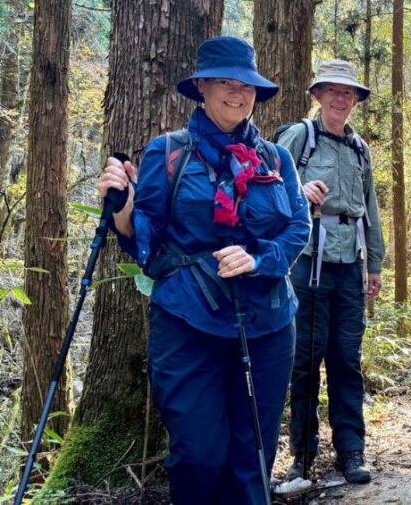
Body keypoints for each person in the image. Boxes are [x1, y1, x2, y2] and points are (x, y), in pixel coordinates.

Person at [97, 36, 310, 504]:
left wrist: (259, 258)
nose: (238, 93)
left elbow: (298, 226)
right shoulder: (169, 153)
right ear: (202, 87)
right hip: (188, 322)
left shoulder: (276, 160)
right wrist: (122, 206)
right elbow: (146, 241)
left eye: (247, 85)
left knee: (252, 455)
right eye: (225, 83)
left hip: (269, 323)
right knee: (198, 454)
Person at [279, 60, 384, 485]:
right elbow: (266, 183)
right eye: (333, 91)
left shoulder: (360, 148)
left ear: (355, 100)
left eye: (349, 93)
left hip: (349, 266)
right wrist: (297, 191)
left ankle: (351, 451)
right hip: (305, 262)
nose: (341, 99)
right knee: (304, 360)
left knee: (346, 359)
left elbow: (370, 209)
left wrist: (374, 264)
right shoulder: (299, 137)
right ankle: (302, 455)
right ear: (318, 94)